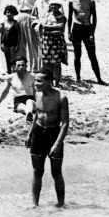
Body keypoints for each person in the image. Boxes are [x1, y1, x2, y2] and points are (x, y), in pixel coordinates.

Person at [27, 72, 69, 207]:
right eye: (35, 81)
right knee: (37, 171)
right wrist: (30, 134)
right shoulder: (37, 94)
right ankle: (35, 205)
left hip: (53, 134)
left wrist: (57, 144)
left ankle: (61, 204)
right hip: (39, 133)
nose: (35, 83)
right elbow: (37, 115)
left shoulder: (61, 98)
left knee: (56, 172)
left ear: (49, 81)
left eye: (39, 81)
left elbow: (65, 123)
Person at [67, 0, 103, 85]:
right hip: (76, 29)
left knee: (92, 55)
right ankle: (78, 78)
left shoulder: (90, 1)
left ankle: (99, 79)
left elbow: (94, 18)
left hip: (87, 28)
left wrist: (92, 33)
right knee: (77, 55)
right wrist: (69, 32)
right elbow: (69, 18)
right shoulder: (72, 2)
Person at [15, 0, 42, 71]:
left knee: (32, 43)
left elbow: (39, 5)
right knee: (20, 44)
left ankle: (34, 67)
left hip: (31, 16)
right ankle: (22, 67)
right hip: (20, 16)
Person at [37, 0, 68, 85]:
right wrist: (55, 27)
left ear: (59, 6)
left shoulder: (62, 17)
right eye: (52, 5)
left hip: (57, 43)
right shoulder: (47, 16)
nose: (54, 6)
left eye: (56, 5)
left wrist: (47, 28)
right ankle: (49, 81)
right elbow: (42, 27)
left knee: (57, 64)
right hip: (47, 43)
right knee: (47, 63)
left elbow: (60, 30)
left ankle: (57, 83)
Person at [0, 5, 22, 73]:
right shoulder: (3, 24)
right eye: (7, 12)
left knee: (13, 58)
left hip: (13, 44)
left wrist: (17, 45)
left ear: (14, 14)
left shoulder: (16, 23)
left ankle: (14, 71)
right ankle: (9, 71)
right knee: (7, 58)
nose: (9, 14)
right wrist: (1, 44)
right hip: (5, 44)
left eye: (11, 13)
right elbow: (1, 35)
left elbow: (19, 35)